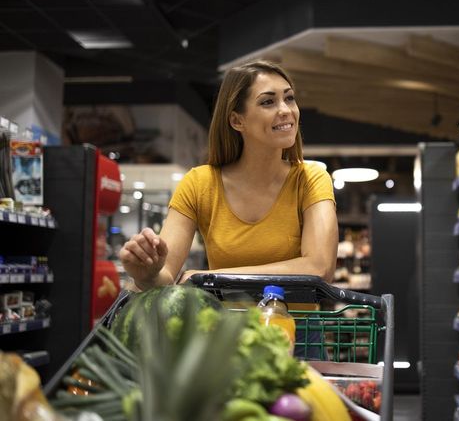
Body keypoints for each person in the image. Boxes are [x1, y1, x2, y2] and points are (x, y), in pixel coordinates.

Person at [119, 60, 338, 293]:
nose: (285, 110)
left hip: (297, 328)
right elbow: (166, 277)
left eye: (289, 98)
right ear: (236, 120)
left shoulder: (310, 178)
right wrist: (147, 275)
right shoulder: (200, 184)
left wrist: (210, 278)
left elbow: (319, 267)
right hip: (223, 328)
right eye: (268, 102)